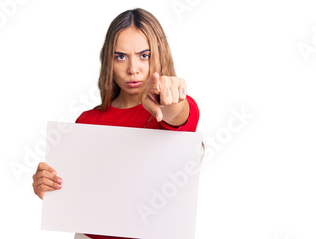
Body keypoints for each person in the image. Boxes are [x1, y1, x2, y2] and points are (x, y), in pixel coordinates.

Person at [31, 8, 200, 239]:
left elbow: (176, 114)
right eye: (121, 56)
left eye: (144, 55)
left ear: (160, 54)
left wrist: (170, 100)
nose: (133, 69)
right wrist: (48, 187)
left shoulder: (174, 109)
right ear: (108, 60)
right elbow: (77, 194)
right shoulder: (87, 121)